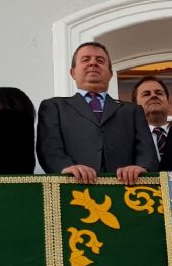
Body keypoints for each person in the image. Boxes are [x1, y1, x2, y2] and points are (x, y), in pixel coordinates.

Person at [37, 42, 159, 185]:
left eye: (100, 61)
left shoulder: (132, 110)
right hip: (73, 187)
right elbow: (49, 148)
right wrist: (65, 167)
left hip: (126, 188)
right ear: (73, 73)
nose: (93, 63)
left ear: (110, 73)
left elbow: (147, 151)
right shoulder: (54, 107)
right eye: (85, 60)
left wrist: (141, 167)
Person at [131, 75, 171, 163]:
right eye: (146, 94)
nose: (154, 96)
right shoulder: (128, 141)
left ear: (169, 104)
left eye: (159, 93)